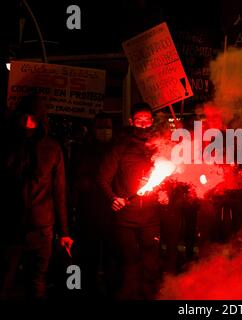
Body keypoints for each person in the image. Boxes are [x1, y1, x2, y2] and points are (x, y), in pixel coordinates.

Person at [0, 94, 73, 299]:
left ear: (40, 118)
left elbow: (59, 192)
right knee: (6, 278)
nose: (27, 121)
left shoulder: (52, 147)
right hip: (10, 225)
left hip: (40, 227)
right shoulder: (6, 144)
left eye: (32, 116)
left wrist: (64, 231)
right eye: (24, 116)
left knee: (36, 278)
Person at [97, 102, 162, 299]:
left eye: (147, 120)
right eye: (139, 120)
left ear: (152, 121)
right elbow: (103, 178)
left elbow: (168, 176)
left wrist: (164, 193)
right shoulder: (120, 147)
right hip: (125, 218)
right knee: (129, 262)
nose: (143, 125)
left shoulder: (159, 147)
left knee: (151, 263)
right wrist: (113, 198)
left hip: (151, 217)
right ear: (131, 121)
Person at [71, 112, 115, 297]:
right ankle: (86, 290)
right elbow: (75, 178)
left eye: (107, 128)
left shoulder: (116, 150)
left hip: (113, 213)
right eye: (100, 127)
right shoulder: (83, 151)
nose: (104, 131)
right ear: (94, 129)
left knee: (111, 258)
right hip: (88, 212)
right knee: (88, 257)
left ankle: (110, 291)